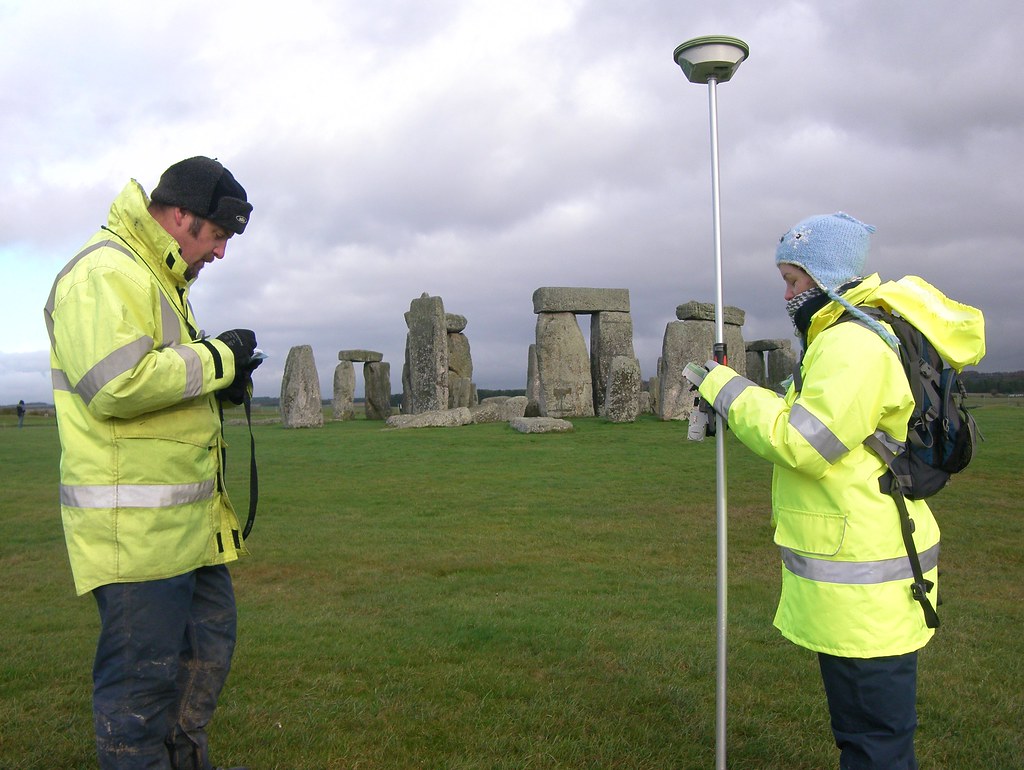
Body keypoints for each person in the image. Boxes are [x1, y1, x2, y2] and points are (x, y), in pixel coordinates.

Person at [685, 212, 985, 769]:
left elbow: (805, 441)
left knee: (876, 742)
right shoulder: (845, 336)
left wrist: (727, 388)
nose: (787, 293)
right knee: (863, 733)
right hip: (860, 576)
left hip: (867, 578)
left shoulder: (853, 342)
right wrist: (739, 397)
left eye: (795, 280)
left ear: (826, 276)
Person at [44, 156, 262, 770]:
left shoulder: (155, 278)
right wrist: (217, 358)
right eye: (218, 236)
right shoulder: (104, 271)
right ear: (181, 216)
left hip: (188, 533)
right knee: (139, 697)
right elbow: (114, 383)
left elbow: (163, 381)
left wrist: (220, 385)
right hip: (136, 539)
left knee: (201, 667)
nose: (220, 253)